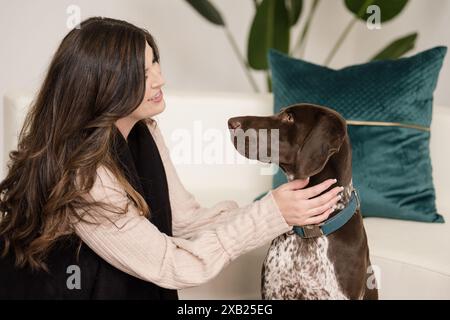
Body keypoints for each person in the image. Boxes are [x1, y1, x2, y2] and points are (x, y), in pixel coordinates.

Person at [0, 17, 342, 300]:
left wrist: (273, 212)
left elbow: (185, 220)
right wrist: (268, 214)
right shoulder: (84, 177)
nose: (160, 79)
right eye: (144, 72)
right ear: (106, 83)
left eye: (155, 63)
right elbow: (171, 265)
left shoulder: (143, 130)